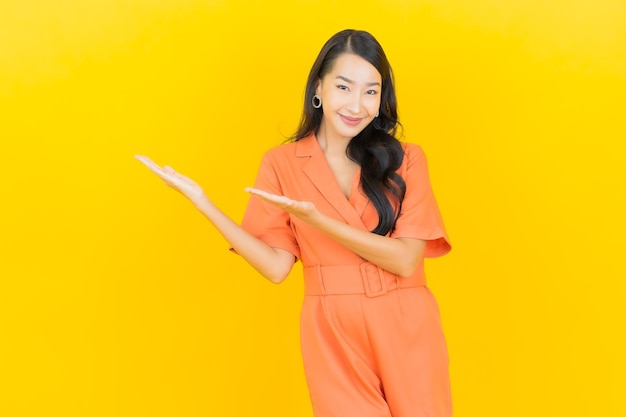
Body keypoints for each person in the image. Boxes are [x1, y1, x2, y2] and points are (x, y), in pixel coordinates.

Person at [136, 29, 452, 417]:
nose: (357, 104)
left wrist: (317, 221)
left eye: (371, 91)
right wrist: (205, 205)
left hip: (406, 320)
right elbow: (275, 267)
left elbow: (406, 261)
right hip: (331, 330)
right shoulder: (281, 164)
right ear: (318, 88)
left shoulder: (406, 158)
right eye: (344, 87)